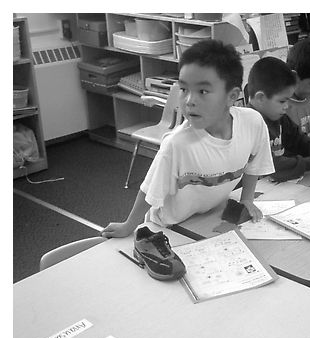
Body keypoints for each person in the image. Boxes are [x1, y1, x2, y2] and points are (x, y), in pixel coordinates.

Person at [102, 40, 275, 238]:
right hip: (169, 227)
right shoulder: (177, 144)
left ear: (231, 96)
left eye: (202, 91)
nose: (189, 101)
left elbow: (254, 163)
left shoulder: (252, 123)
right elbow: (150, 189)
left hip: (211, 216)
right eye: (184, 89)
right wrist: (129, 225)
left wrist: (247, 200)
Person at [246, 56, 310, 182]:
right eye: (282, 101)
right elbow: (274, 167)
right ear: (261, 98)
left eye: (288, 100)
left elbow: (299, 139)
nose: (286, 106)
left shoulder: (278, 116)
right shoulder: (249, 124)